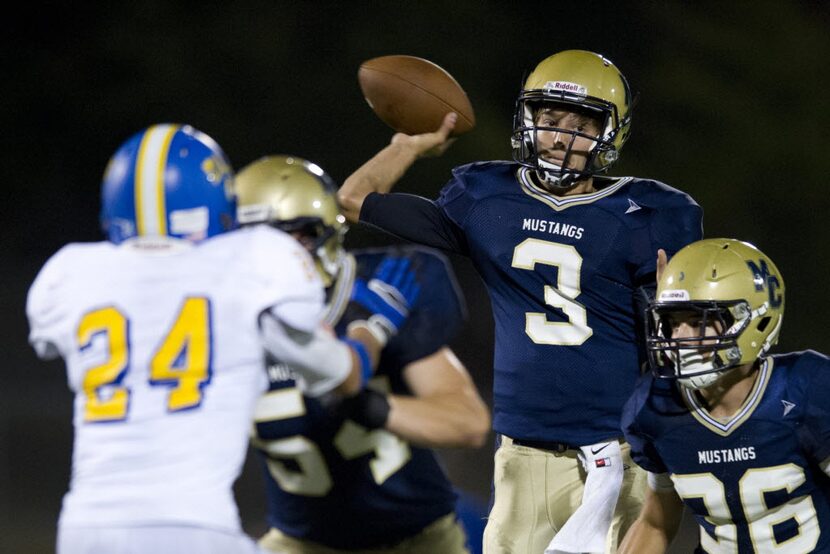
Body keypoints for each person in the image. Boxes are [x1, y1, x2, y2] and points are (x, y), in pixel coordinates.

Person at [337, 49, 704, 553]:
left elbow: (688, 334)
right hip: (519, 458)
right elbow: (354, 200)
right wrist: (408, 145)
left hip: (616, 456)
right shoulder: (485, 197)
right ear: (527, 119)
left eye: (582, 123)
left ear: (610, 134)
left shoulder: (650, 213)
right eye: (550, 119)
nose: (560, 137)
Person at [25, 124, 421, 554]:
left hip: (85, 530)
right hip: (194, 529)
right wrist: (373, 326)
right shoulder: (252, 265)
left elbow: (52, 342)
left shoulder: (71, 273)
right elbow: (343, 376)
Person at [234, 154, 491, 553]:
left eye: (292, 237)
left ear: (324, 235)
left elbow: (467, 422)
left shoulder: (381, 287)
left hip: (415, 538)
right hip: (301, 541)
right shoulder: (219, 315)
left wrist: (373, 408)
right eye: (256, 241)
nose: (275, 258)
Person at [620, 238, 830, 554]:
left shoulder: (805, 388)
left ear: (756, 320)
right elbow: (655, 522)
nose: (681, 338)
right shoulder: (655, 406)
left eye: (699, 321)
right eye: (672, 322)